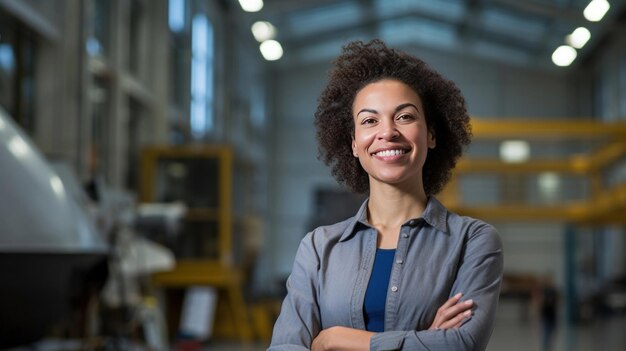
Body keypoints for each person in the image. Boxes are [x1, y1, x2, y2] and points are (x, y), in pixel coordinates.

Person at [268, 39, 503, 351]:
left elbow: (461, 344)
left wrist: (332, 340)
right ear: (353, 143)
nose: (388, 131)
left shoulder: (473, 242)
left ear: (431, 134)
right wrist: (426, 339)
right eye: (369, 120)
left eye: (405, 116)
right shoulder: (318, 248)